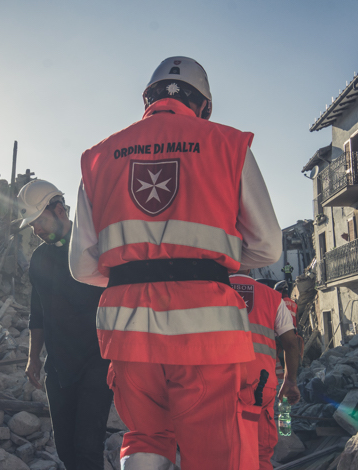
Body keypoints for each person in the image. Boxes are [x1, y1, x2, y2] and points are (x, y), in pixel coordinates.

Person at [69, 56, 282, 469]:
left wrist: (133, 270)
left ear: (147, 99)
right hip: (206, 331)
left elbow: (81, 267)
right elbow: (269, 247)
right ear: (203, 106)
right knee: (216, 451)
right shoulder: (227, 144)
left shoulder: (98, 157)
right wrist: (210, 262)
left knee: (146, 437)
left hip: (127, 329)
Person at [18, 180, 113, 470]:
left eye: (39, 221)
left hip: (97, 365)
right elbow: (38, 310)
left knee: (87, 450)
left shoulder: (94, 249)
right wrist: (34, 357)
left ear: (59, 210)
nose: (35, 229)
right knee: (66, 451)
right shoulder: (39, 258)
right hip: (58, 368)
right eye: (31, 224)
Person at [230, 273, 302, 470]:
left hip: (220, 386)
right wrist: (289, 381)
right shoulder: (271, 297)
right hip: (260, 386)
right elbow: (291, 343)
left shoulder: (210, 289)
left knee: (222, 450)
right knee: (260, 452)